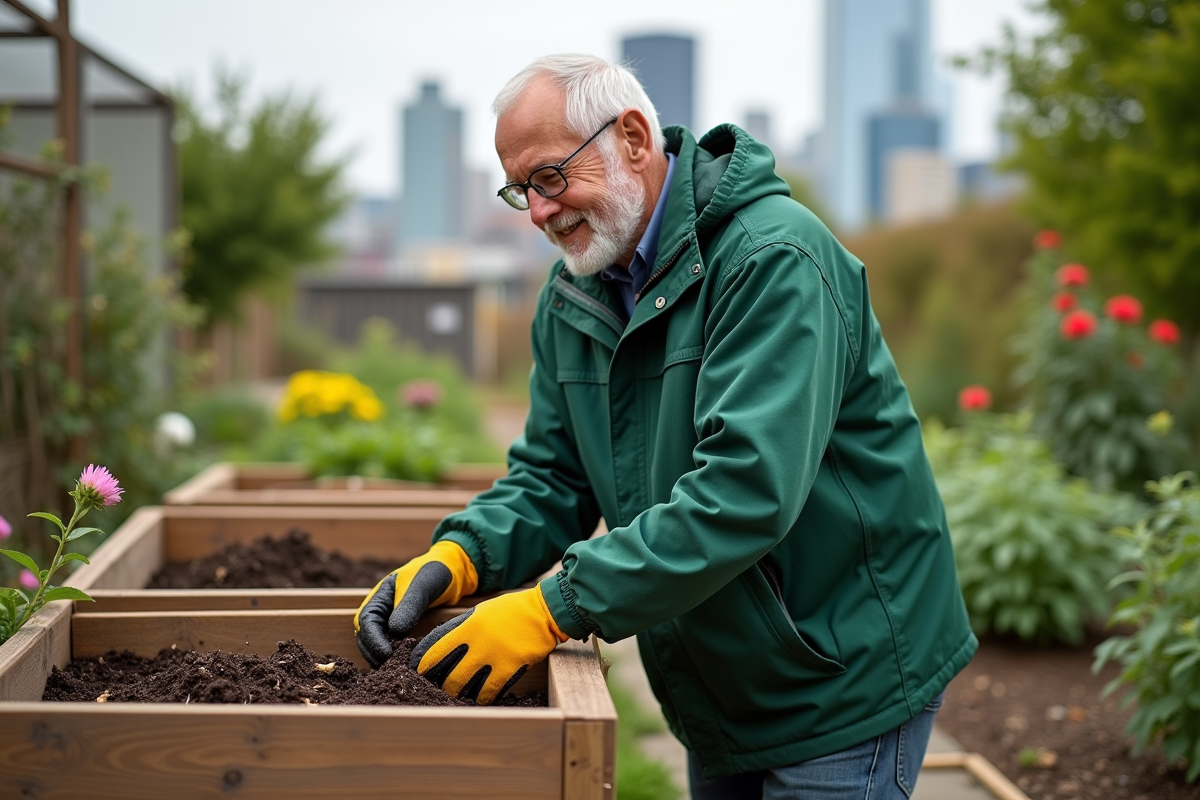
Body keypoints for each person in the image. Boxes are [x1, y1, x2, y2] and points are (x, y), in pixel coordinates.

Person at [355, 53, 977, 799]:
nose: (541, 212)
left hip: (842, 673)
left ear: (633, 139)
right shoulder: (575, 295)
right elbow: (554, 476)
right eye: (522, 191)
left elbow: (745, 492)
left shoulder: (771, 259)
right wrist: (463, 555)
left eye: (550, 177)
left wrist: (552, 608)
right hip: (717, 682)